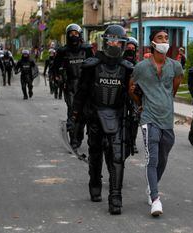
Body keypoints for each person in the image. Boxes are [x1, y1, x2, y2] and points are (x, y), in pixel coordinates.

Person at [72, 25, 133, 215]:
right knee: (95, 152)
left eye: (118, 41)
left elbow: (134, 94)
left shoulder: (128, 68)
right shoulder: (92, 66)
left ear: (123, 45)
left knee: (117, 156)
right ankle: (95, 182)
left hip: (118, 115)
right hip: (95, 115)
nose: (114, 44)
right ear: (105, 42)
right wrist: (76, 115)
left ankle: (116, 197)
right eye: (111, 40)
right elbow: (81, 92)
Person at [129, 29, 183, 216]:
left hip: (166, 118)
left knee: (163, 156)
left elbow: (173, 89)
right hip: (148, 118)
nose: (164, 41)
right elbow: (131, 87)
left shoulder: (175, 66)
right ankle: (155, 198)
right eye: (160, 38)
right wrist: (140, 104)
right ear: (152, 42)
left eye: (166, 38)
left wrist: (164, 102)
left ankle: (152, 186)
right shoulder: (141, 67)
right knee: (152, 158)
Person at [53, 23, 93, 150]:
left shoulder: (87, 49)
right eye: (71, 34)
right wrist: (57, 77)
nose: (73, 36)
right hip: (70, 85)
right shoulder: (62, 51)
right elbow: (55, 67)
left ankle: (80, 135)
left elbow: (94, 65)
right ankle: (73, 139)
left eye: (76, 33)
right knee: (72, 112)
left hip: (85, 85)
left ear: (80, 34)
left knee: (84, 114)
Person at [123, 37, 140, 154]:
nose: (130, 50)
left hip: (133, 95)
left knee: (134, 119)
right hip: (120, 94)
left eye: (132, 48)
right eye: (128, 48)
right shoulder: (119, 63)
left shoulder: (138, 66)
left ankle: (132, 142)